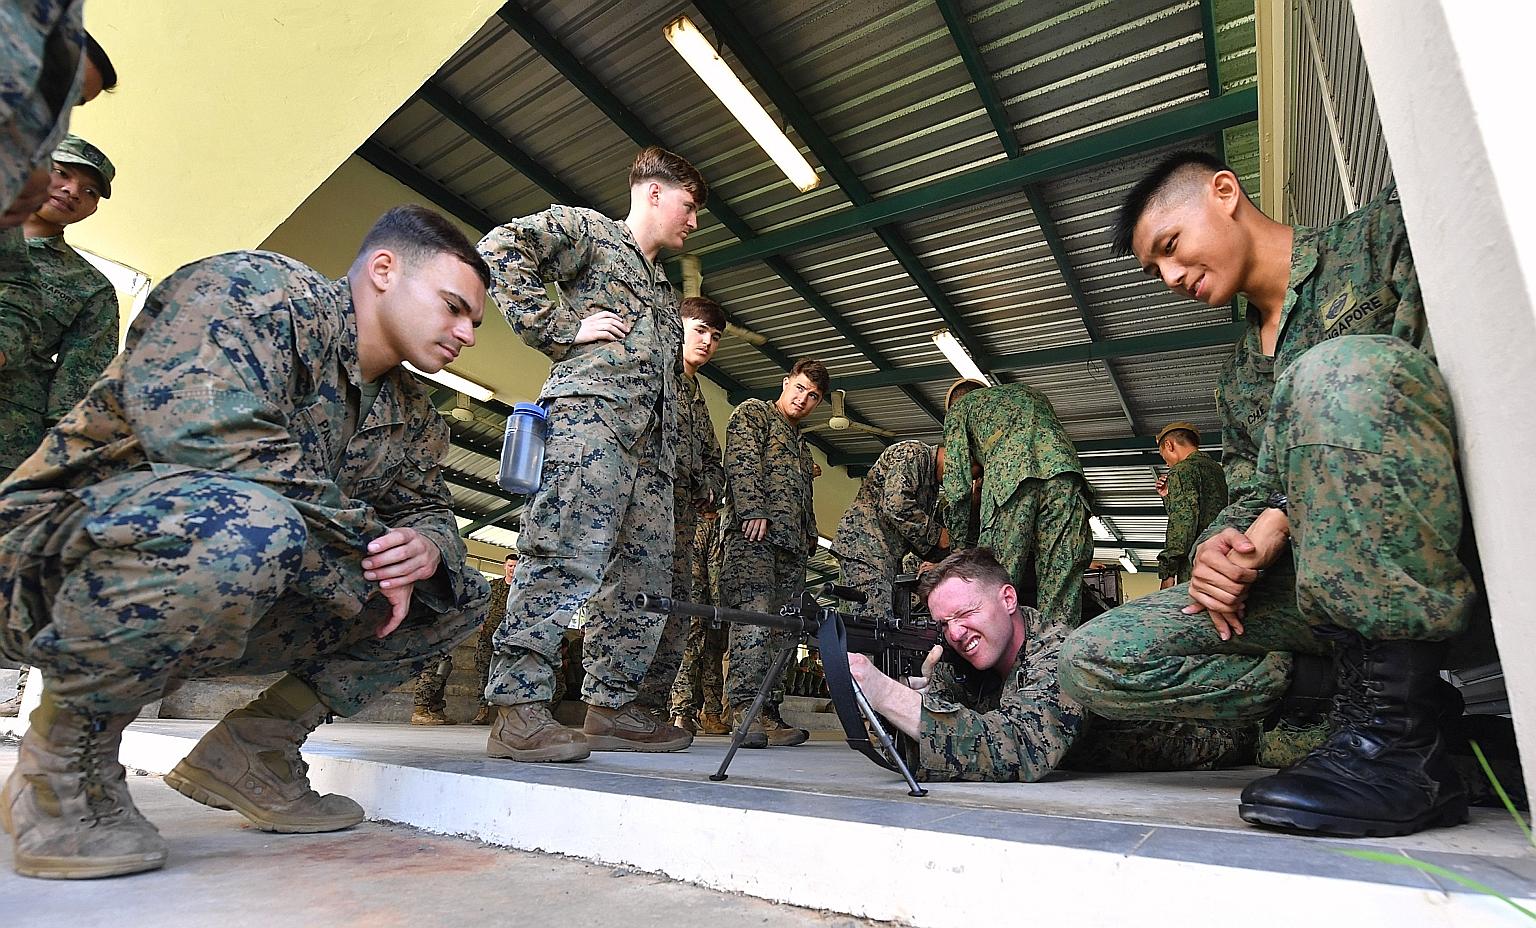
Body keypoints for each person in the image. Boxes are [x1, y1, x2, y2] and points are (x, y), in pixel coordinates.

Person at [0, 205, 494, 879]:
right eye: (454, 307)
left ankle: (256, 751)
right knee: (252, 523)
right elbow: (209, 446)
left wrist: (427, 547)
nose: (466, 333)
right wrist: (369, 545)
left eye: (475, 322)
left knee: (458, 593)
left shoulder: (412, 418)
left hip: (215, 579)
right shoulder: (257, 294)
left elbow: (428, 509)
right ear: (383, 270)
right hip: (49, 564)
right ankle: (62, 763)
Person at [1061, 150, 1483, 838]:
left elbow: (1433, 378)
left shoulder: (1376, 240)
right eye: (1154, 270)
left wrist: (1282, 516)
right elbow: (1249, 487)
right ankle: (1385, 718)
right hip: (1313, 598)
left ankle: (1396, 748)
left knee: (1336, 373)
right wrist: (1216, 550)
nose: (1170, 277)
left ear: (1224, 193)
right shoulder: (1240, 380)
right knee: (1093, 660)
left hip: (1433, 556)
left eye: (1170, 247)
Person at [479, 146, 704, 762]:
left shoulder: (661, 292)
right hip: (592, 427)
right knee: (562, 554)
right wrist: (557, 327)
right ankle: (517, 710)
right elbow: (501, 247)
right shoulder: (595, 235)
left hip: (649, 451)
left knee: (644, 578)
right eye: (689, 206)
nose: (694, 222)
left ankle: (611, 706)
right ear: (653, 193)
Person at [848, 549, 1255, 782]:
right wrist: (911, 697)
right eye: (943, 624)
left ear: (1008, 600)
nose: (955, 633)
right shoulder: (962, 659)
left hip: (1220, 742)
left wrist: (884, 692)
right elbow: (921, 756)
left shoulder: (1058, 651)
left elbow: (1021, 750)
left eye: (966, 612)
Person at [720, 359, 828, 748]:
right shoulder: (755, 413)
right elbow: (741, 460)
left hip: (791, 547)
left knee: (785, 628)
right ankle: (744, 711)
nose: (803, 399)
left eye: (812, 396)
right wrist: (752, 509)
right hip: (755, 538)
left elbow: (802, 494)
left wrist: (810, 531)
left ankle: (769, 711)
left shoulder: (800, 444)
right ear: (785, 383)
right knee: (753, 620)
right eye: (799, 388)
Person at [633, 295, 726, 726]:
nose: (707, 342)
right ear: (677, 326)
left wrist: (707, 485)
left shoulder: (695, 393)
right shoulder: (653, 374)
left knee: (674, 614)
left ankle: (650, 709)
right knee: (635, 603)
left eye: (716, 336)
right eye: (700, 330)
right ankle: (615, 706)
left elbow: (713, 460)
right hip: (643, 517)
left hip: (682, 526)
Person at [940, 380, 1092, 627]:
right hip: (1067, 477)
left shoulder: (961, 408)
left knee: (995, 575)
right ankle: (1054, 655)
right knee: (1061, 577)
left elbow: (957, 482)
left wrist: (958, 553)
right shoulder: (1030, 393)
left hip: (1010, 479)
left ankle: (992, 655)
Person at [832, 441, 947, 624]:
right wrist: (937, 534)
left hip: (887, 555)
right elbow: (897, 505)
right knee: (875, 625)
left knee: (895, 627)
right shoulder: (913, 453)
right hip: (867, 549)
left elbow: (911, 531)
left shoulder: (931, 482)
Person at [411, 550, 519, 725]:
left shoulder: (520, 591)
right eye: (510, 566)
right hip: (485, 638)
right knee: (472, 673)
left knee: (443, 667)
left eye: (515, 566)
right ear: (504, 566)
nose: (512, 570)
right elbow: (476, 604)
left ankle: (435, 709)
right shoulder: (492, 586)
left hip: (510, 640)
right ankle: (425, 710)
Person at [670, 509, 728, 733]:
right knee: (693, 654)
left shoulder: (685, 521)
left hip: (696, 602)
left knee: (703, 653)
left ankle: (705, 714)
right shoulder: (701, 525)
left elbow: (713, 566)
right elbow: (714, 566)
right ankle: (684, 713)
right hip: (693, 601)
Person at [1152, 421, 1228, 588]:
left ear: (1169, 445)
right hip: (1225, 558)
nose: (1166, 463)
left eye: (1163, 455)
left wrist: (1168, 570)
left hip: (1197, 563)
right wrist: (1167, 496)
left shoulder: (1182, 470)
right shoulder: (1218, 470)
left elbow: (1183, 523)